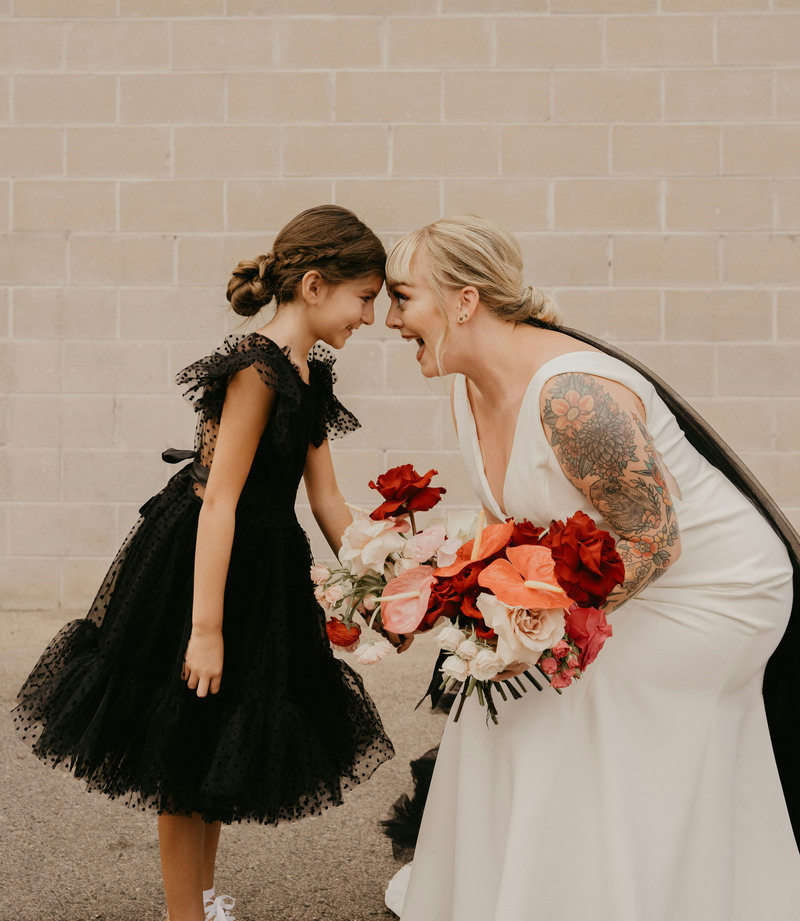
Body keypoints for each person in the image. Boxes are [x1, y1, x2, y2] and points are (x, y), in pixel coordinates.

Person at [382, 214, 800, 921]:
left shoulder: (574, 398)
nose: (391, 319)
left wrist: (534, 632)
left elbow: (656, 540)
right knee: (496, 698)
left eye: (402, 296)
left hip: (713, 589)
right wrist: (459, 596)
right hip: (617, 581)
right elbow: (511, 524)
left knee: (552, 695)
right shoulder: (465, 383)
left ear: (464, 300)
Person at [13, 204, 396, 921]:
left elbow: (328, 499)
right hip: (202, 567)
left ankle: (200, 894)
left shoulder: (308, 372)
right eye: (364, 298)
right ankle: (182, 912)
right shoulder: (256, 367)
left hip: (264, 568)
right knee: (182, 742)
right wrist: (206, 628)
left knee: (220, 739)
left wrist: (385, 578)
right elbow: (219, 501)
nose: (370, 317)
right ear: (315, 285)